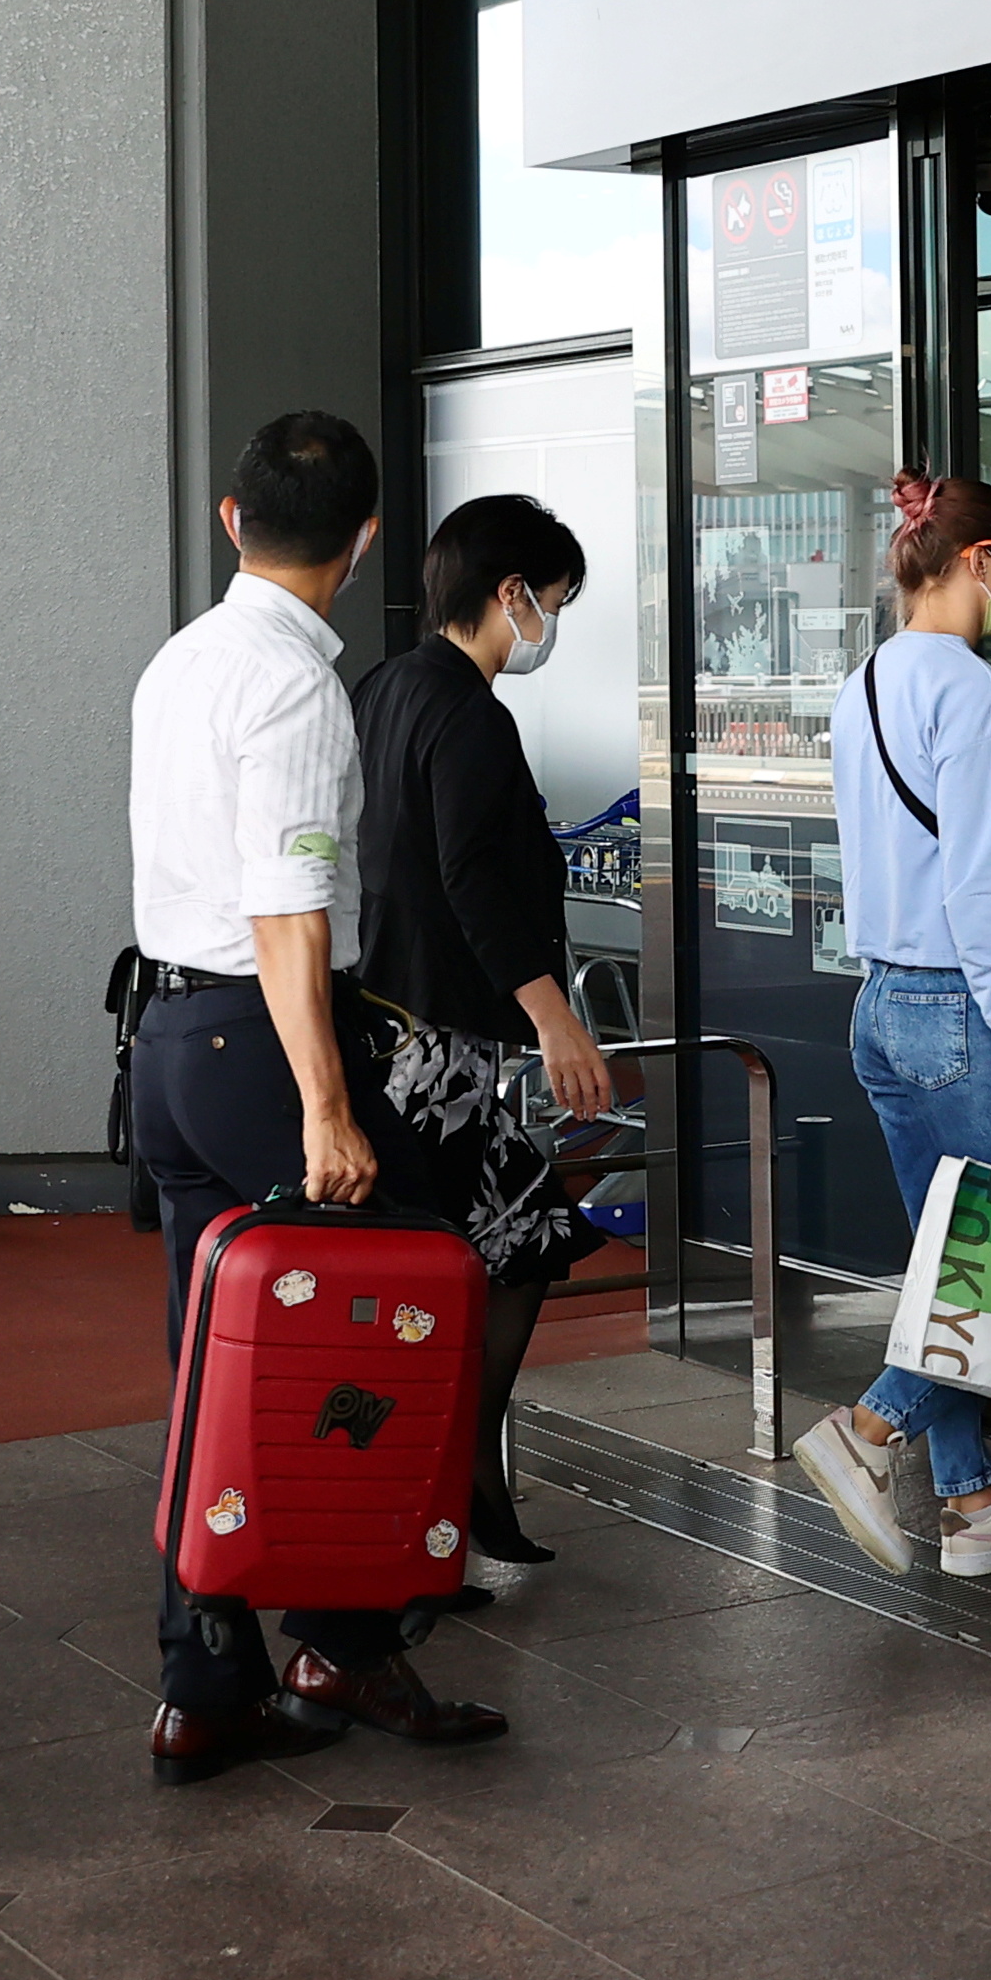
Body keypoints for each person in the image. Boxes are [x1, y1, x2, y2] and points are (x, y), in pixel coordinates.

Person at [131, 410, 508, 1784]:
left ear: (231, 520)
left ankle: (207, 1676)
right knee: (401, 1307)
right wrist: (327, 1106)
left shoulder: (179, 663)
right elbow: (288, 911)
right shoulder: (291, 686)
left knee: (212, 1359)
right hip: (260, 1040)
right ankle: (343, 1645)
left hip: (170, 1043)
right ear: (363, 543)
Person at [789, 470, 991, 1579]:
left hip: (882, 1006)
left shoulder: (858, 685)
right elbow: (981, 886)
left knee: (943, 1259)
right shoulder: (976, 696)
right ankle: (867, 1430)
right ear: (971, 561)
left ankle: (969, 1500)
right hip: (961, 1007)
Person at [352, 493, 614, 1571]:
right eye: (551, 602)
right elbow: (472, 877)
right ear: (510, 595)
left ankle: (457, 1492)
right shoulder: (466, 712)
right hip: (441, 1046)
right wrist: (556, 1020)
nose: (550, 623)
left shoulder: (383, 688)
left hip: (387, 1026)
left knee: (485, 1251)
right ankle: (454, 1487)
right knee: (515, 1244)